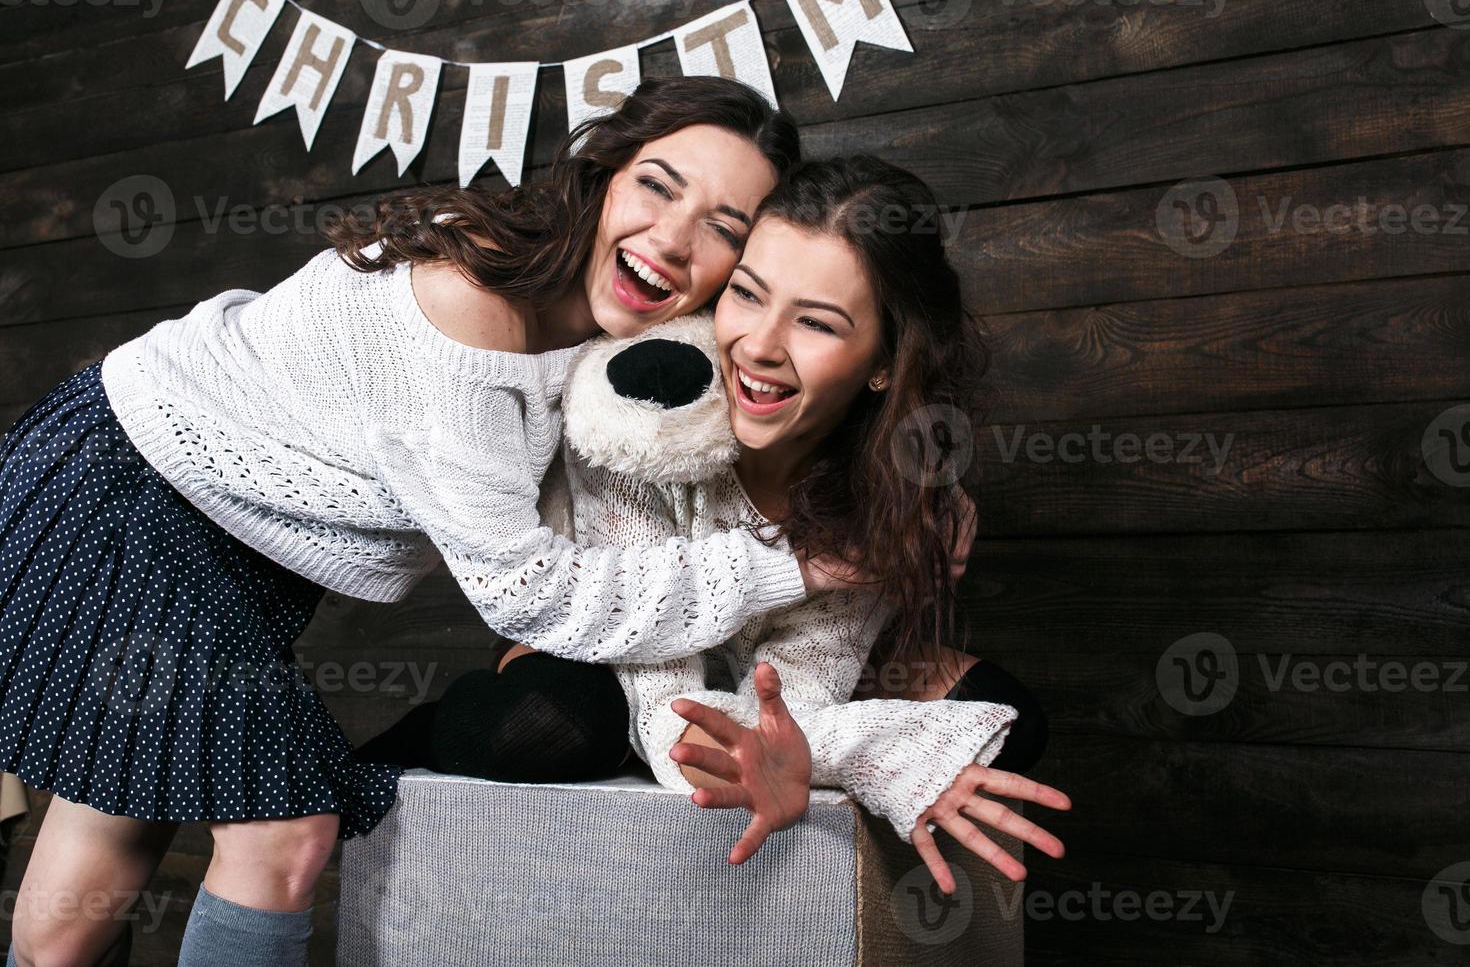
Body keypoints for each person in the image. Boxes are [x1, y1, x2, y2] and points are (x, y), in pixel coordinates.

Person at [0, 78, 907, 967]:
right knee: (283, 838)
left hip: (217, 549)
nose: (671, 240)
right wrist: (793, 564)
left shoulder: (609, 347)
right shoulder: (468, 302)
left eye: (723, 228)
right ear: (603, 176)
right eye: (657, 186)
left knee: (61, 934)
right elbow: (529, 592)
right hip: (130, 495)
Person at [362, 157, 1068, 892]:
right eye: (747, 295)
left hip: (761, 661)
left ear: (884, 363)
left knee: (1005, 718)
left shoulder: (884, 484)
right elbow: (673, 714)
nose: (759, 347)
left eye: (819, 323)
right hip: (618, 635)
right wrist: (891, 760)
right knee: (555, 725)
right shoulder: (644, 408)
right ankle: (379, 761)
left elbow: (805, 680)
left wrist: (800, 747)